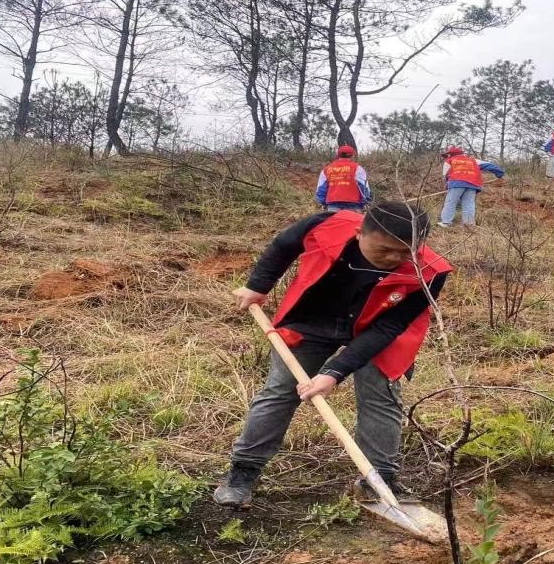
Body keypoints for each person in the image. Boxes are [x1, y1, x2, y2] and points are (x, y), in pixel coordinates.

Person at [215, 202, 452, 510]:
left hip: (378, 327)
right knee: (281, 390)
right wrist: (257, 286)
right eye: (384, 250)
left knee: (381, 397)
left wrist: (334, 372)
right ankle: (242, 473)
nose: (394, 259)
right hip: (313, 318)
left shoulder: (431, 270)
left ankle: (380, 480)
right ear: (358, 234)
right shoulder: (327, 224)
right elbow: (284, 245)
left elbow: (389, 327)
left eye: (406, 252)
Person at [439, 146, 504, 228]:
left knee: (451, 202)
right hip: (473, 184)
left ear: (450, 154)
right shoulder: (473, 160)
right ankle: (468, 224)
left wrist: (447, 185)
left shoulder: (449, 161)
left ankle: (446, 223)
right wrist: (499, 174)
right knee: (469, 203)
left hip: (456, 183)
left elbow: (445, 175)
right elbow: (489, 165)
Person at [315, 145, 371, 212]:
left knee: (335, 222)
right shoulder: (357, 168)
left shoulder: (326, 169)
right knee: (352, 222)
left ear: (338, 155)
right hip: (354, 204)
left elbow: (321, 188)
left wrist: (322, 203)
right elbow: (364, 187)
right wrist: (365, 202)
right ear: (352, 156)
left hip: (333, 204)